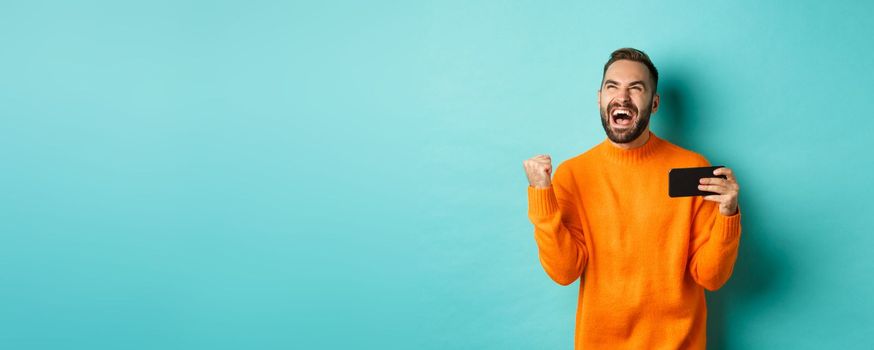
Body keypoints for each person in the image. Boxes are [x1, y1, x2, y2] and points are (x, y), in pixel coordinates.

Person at [522, 48, 741, 349]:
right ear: (599, 97)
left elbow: (711, 277)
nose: (622, 98)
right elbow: (564, 271)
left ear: (654, 103)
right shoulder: (573, 174)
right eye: (613, 87)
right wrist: (541, 196)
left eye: (635, 89)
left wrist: (728, 215)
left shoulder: (693, 169)